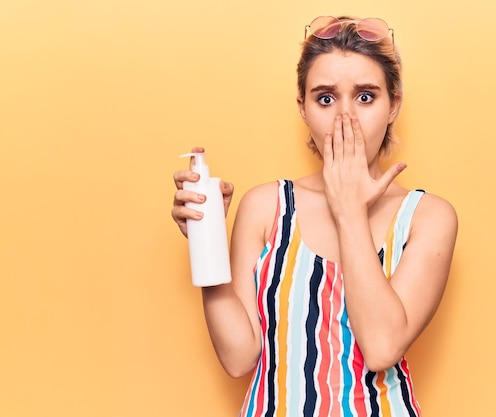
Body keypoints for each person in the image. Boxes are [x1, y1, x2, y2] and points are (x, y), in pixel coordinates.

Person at [171, 15, 458, 417]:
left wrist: (349, 210)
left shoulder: (428, 217)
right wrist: (208, 244)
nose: (345, 118)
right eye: (325, 98)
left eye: (365, 96)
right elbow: (238, 358)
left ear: (394, 105)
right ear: (303, 108)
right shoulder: (265, 207)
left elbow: (380, 348)